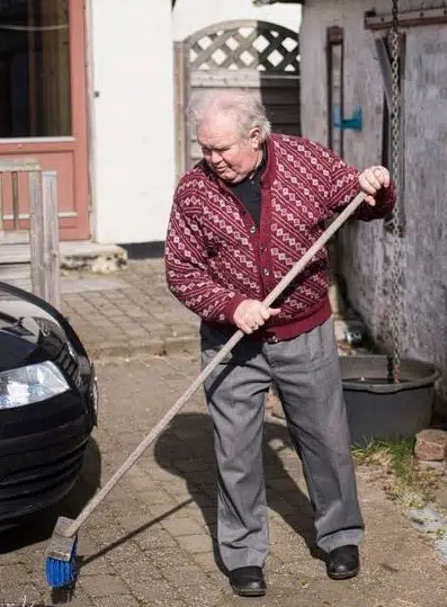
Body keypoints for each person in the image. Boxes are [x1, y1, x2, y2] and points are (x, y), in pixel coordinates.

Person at [164, 88, 395, 598]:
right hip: (232, 343)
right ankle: (244, 553)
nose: (212, 159)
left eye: (222, 149)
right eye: (204, 148)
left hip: (303, 332)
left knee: (325, 438)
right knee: (236, 451)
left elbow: (358, 201)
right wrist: (231, 306)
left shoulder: (304, 161)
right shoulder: (194, 191)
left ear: (256, 135)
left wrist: (374, 185)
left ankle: (339, 537)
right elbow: (182, 271)